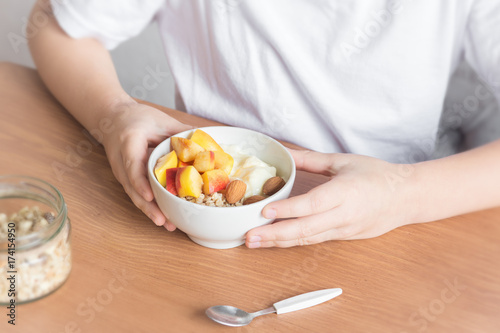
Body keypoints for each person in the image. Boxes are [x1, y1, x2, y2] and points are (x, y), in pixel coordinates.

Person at [29, 0, 500, 248]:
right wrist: (114, 114)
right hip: (192, 229)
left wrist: (405, 194)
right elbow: (53, 20)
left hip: (397, 228)